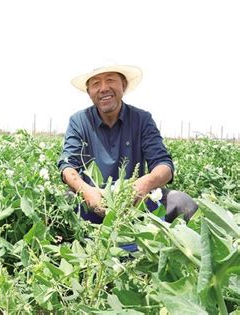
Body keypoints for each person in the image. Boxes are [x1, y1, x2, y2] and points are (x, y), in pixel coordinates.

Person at [58, 64, 198, 224]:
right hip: (93, 202)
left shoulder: (142, 119)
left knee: (181, 202)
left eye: (110, 80)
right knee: (59, 204)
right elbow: (67, 166)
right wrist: (87, 191)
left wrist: (145, 183)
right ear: (89, 92)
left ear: (123, 85)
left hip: (136, 203)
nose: (103, 88)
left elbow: (164, 165)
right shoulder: (79, 121)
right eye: (96, 83)